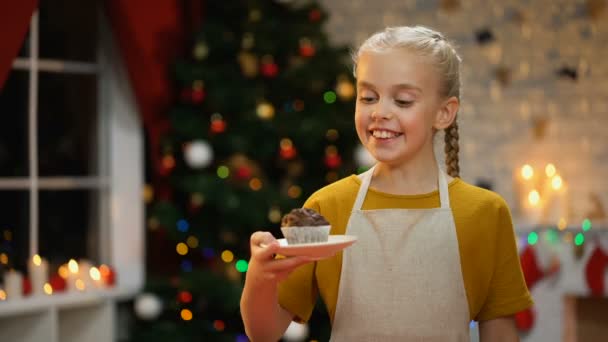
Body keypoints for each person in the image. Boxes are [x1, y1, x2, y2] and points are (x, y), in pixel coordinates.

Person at [240, 25, 533, 341]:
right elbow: (264, 333)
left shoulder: (485, 213)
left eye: (403, 101)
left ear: (444, 113)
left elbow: (500, 333)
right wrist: (259, 277)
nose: (379, 112)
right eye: (368, 97)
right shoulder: (328, 207)